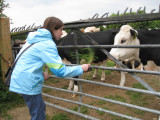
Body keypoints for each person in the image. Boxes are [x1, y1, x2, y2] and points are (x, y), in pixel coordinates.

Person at [9, 16, 90, 120]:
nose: (62, 33)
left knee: (40, 109)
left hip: (22, 79)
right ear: (53, 29)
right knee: (39, 116)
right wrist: (81, 68)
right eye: (60, 29)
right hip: (28, 84)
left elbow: (27, 61)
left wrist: (39, 74)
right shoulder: (46, 44)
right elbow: (60, 71)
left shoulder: (34, 39)